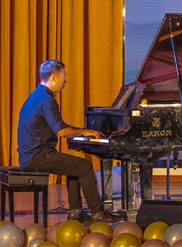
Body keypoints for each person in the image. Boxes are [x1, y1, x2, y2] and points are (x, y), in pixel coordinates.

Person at [17, 60, 117, 222]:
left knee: (75, 167)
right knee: (85, 167)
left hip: (30, 155)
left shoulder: (37, 95)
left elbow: (61, 126)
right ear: (53, 78)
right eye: (64, 75)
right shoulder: (46, 100)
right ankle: (98, 213)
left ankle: (76, 212)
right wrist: (84, 131)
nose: (66, 80)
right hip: (38, 156)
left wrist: (82, 131)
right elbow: (63, 132)